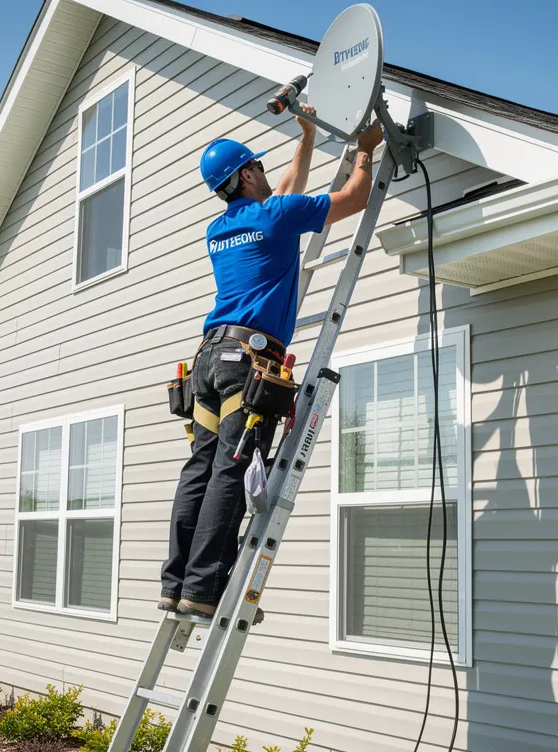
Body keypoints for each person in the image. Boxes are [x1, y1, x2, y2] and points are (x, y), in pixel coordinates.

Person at [160, 100, 385, 622]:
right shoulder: (277, 216)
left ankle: (178, 586)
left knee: (199, 469)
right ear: (245, 174)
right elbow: (353, 197)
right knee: (230, 472)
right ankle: (206, 588)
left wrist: (307, 135)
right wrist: (366, 152)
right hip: (248, 361)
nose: (266, 170)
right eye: (257, 165)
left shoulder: (222, 229)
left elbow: (284, 188)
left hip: (208, 360)